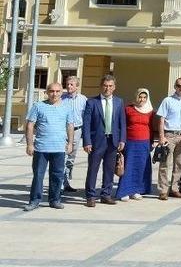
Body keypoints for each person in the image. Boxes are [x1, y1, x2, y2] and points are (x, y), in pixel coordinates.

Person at [23, 83, 74, 211]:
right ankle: (34, 201)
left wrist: (70, 143)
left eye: (57, 91)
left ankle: (55, 200)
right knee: (38, 175)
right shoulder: (38, 106)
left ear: (61, 92)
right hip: (41, 148)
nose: (54, 94)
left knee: (57, 175)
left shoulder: (67, 107)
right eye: (51, 91)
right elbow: (29, 126)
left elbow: (70, 126)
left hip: (59, 148)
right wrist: (29, 144)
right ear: (47, 92)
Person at [82, 75, 126, 207]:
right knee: (93, 169)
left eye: (110, 86)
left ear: (114, 87)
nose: (108, 88)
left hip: (113, 141)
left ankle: (106, 194)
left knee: (109, 169)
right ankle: (90, 196)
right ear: (101, 86)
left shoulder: (119, 102)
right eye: (105, 86)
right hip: (96, 142)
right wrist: (87, 142)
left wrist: (122, 139)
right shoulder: (92, 102)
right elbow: (86, 124)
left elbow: (122, 123)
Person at [155, 77, 181, 200]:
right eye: (179, 86)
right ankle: (163, 190)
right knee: (165, 163)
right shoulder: (167, 100)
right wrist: (161, 137)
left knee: (179, 164)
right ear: (175, 86)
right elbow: (161, 119)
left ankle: (174, 189)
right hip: (169, 135)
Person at [116, 88, 155, 201]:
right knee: (128, 166)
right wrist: (121, 140)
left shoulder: (150, 112)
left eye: (144, 97)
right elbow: (122, 126)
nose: (142, 99)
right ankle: (124, 191)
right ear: (136, 96)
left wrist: (151, 142)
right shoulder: (128, 109)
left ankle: (137, 191)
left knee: (141, 167)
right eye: (140, 97)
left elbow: (151, 128)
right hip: (130, 142)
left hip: (144, 143)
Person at [60, 76, 87, 193]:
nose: (69, 86)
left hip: (77, 131)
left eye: (71, 84)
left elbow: (86, 117)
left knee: (70, 159)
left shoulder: (83, 100)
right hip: (63, 131)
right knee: (61, 158)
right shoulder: (61, 99)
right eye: (67, 84)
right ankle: (60, 185)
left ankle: (66, 183)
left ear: (77, 86)